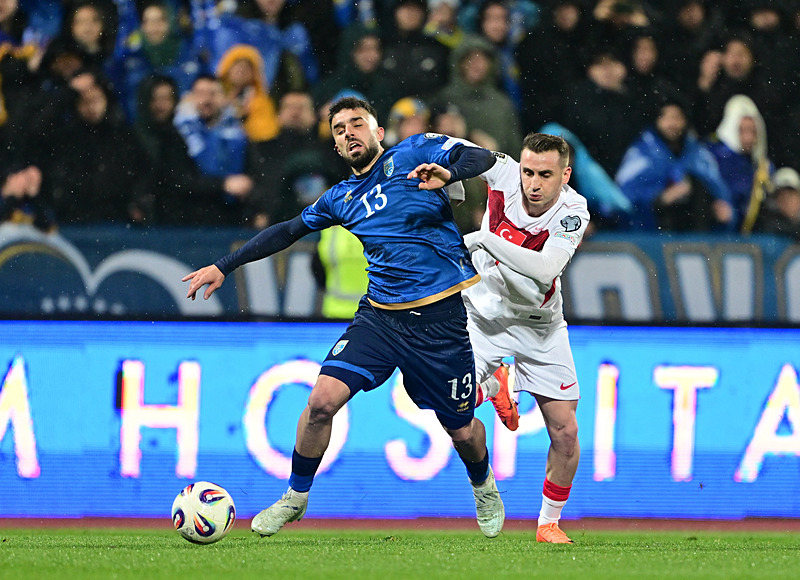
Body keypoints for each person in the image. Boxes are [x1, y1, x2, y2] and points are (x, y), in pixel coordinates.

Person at [182, 96, 506, 538]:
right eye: (339, 129)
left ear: (377, 131)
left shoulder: (414, 152)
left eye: (357, 123)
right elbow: (287, 231)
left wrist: (450, 173)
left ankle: (483, 485)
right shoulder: (340, 198)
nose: (349, 132)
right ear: (335, 145)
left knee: (463, 431)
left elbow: (481, 157)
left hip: (438, 322)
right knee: (320, 404)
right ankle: (295, 497)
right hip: (379, 318)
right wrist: (225, 264)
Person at [463, 132, 589, 544]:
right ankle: (495, 385)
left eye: (545, 175)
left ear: (565, 175)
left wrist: (485, 239)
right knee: (444, 399)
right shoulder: (501, 174)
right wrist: (440, 171)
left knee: (566, 434)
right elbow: (449, 146)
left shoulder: (574, 210)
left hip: (540, 328)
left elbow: (546, 267)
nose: (532, 183)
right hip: (483, 318)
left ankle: (548, 523)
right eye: (528, 171)